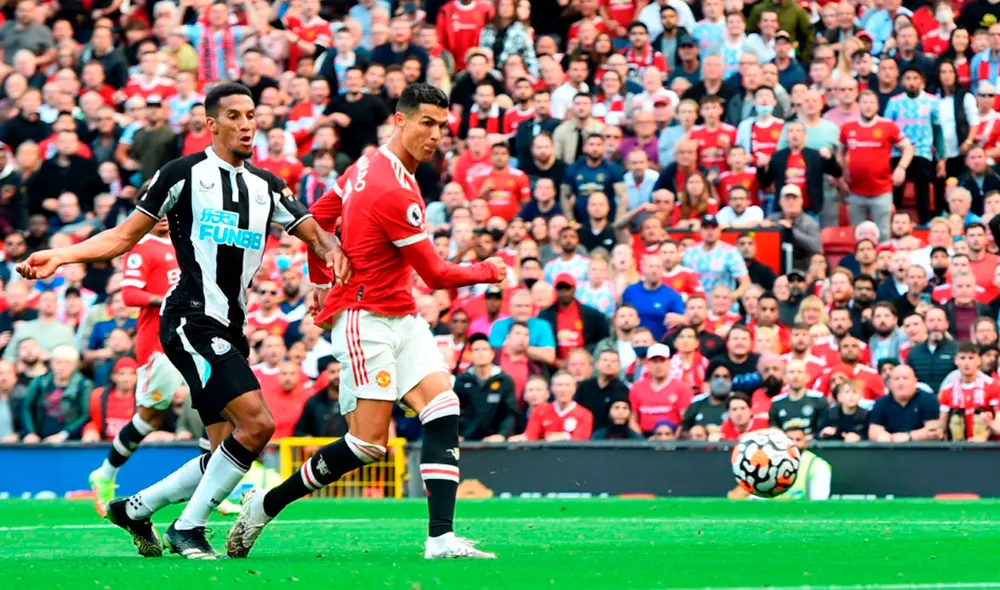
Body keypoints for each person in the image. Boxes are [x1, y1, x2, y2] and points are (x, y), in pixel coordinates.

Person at [16, 83, 343, 560]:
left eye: (252, 115)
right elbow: (123, 236)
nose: (247, 124)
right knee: (257, 425)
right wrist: (62, 255)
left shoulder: (267, 186)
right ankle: (188, 528)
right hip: (190, 320)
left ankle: (136, 507)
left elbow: (316, 233)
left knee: (226, 453)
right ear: (211, 124)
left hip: (231, 326)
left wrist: (332, 260)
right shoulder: (183, 174)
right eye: (234, 116)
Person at [229, 84, 504, 560]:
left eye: (442, 126)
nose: (436, 135)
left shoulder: (368, 164)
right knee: (368, 444)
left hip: (402, 315)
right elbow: (436, 273)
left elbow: (318, 216)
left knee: (443, 408)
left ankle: (440, 539)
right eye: (426, 123)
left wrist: (319, 274)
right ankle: (264, 506)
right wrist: (489, 269)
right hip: (366, 320)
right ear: (399, 120)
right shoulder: (391, 187)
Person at [85, 204, 185, 515]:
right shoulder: (142, 248)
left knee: (217, 409)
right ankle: (105, 473)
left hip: (192, 339)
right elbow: (129, 295)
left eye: (170, 208)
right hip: (158, 342)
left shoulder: (187, 244)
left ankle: (212, 490)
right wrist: (167, 299)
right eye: (159, 209)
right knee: (149, 418)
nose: (165, 215)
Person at [454, 334, 518, 442]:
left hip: (495, 442)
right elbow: (454, 412)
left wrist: (502, 435)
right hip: (467, 441)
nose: (480, 353)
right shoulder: (462, 381)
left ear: (492, 354)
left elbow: (510, 413)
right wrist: (456, 435)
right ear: (471, 355)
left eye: (484, 349)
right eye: (476, 350)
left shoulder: (504, 381)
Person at [869, 365, 944, 441]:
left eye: (905, 378)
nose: (901, 383)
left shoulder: (928, 399)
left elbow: (934, 432)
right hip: (890, 450)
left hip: (922, 450)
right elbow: (873, 430)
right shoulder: (881, 403)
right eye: (896, 379)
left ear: (915, 381)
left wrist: (908, 436)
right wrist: (881, 436)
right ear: (890, 384)